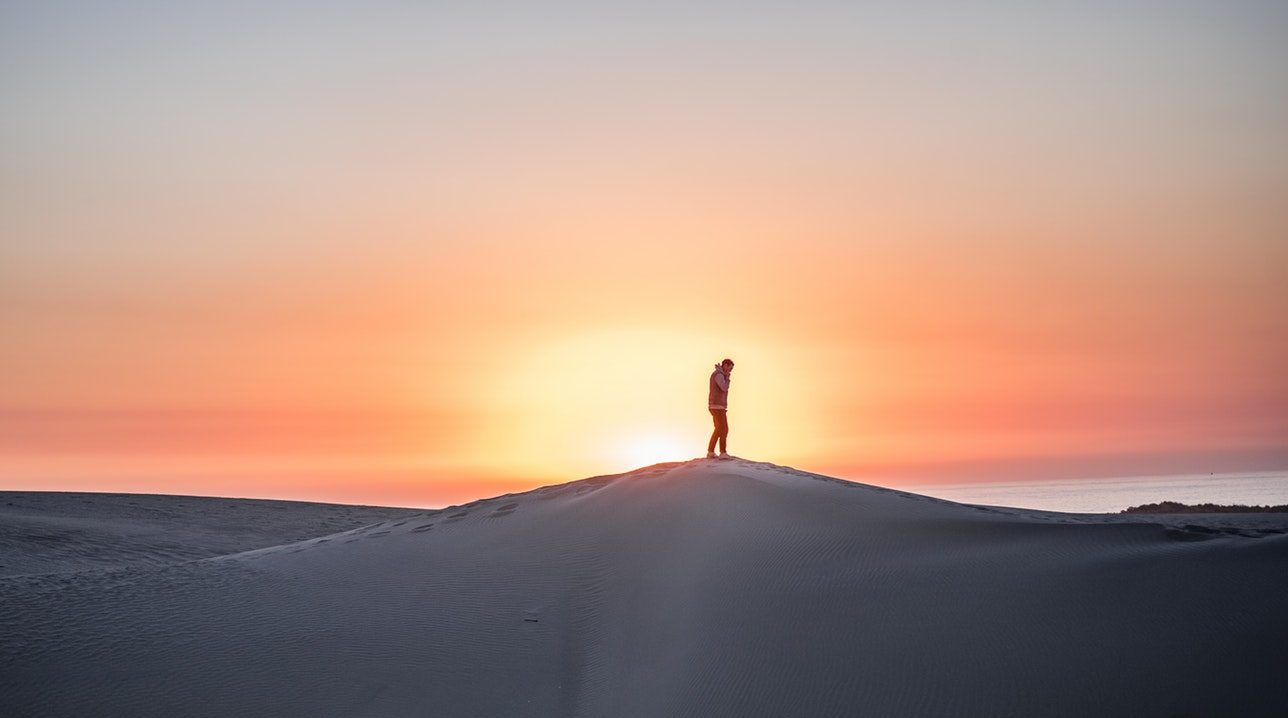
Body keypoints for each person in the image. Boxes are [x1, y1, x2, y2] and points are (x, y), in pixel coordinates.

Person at [707, 358, 734, 459]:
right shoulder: (719, 375)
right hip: (717, 406)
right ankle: (722, 452)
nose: (730, 371)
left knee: (719, 429)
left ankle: (711, 451)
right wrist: (727, 378)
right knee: (723, 429)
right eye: (730, 368)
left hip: (718, 406)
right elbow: (724, 388)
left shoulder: (719, 374)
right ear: (725, 365)